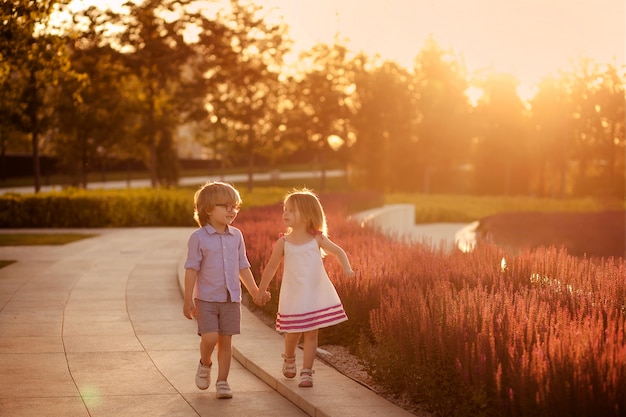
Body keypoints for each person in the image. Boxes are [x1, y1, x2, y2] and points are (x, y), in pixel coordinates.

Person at [253, 188, 355, 388]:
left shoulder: (317, 238)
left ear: (308, 214)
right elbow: (271, 267)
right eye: (285, 209)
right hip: (293, 294)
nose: (285, 213)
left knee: (311, 333)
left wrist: (347, 268)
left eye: (291, 210)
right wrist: (261, 290)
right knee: (292, 333)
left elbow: (337, 251)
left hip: (314, 293)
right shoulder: (283, 242)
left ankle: (307, 371)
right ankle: (289, 357)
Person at [183, 181, 270, 399]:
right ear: (208, 209)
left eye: (235, 206)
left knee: (226, 341)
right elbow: (191, 269)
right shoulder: (198, 238)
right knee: (210, 338)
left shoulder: (237, 236)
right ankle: (205, 363)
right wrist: (187, 299)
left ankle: (223, 381)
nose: (232, 211)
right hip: (206, 299)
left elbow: (242, 265)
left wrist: (255, 290)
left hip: (231, 299)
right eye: (226, 206)